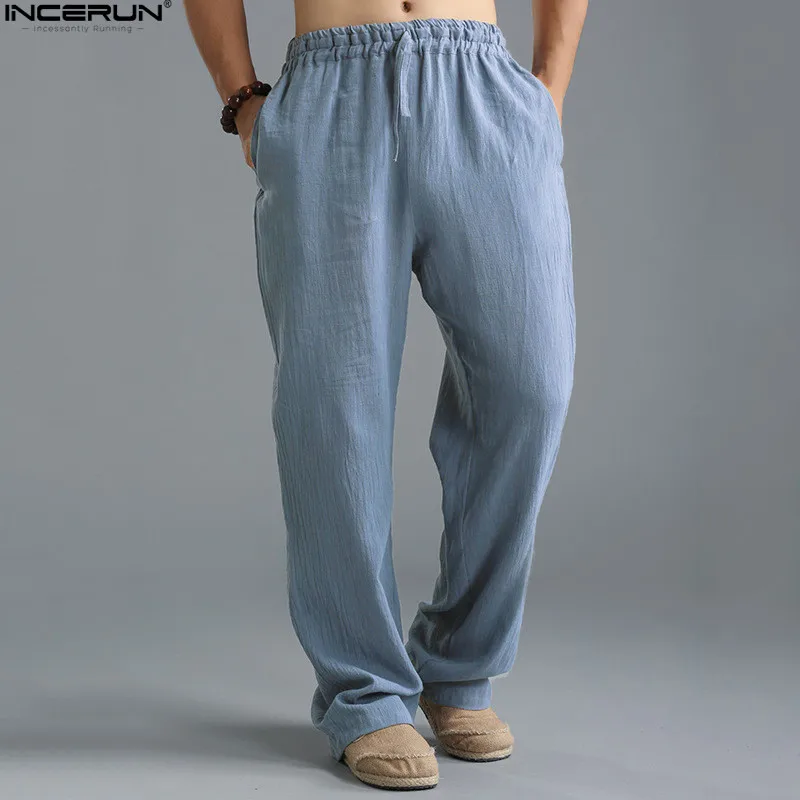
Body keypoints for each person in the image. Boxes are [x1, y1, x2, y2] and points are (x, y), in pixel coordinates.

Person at [184, 0, 587, 790]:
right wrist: (243, 101)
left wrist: (549, 89)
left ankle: (459, 662)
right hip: (333, 90)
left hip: (478, 83)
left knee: (531, 383)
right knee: (334, 409)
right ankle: (364, 693)